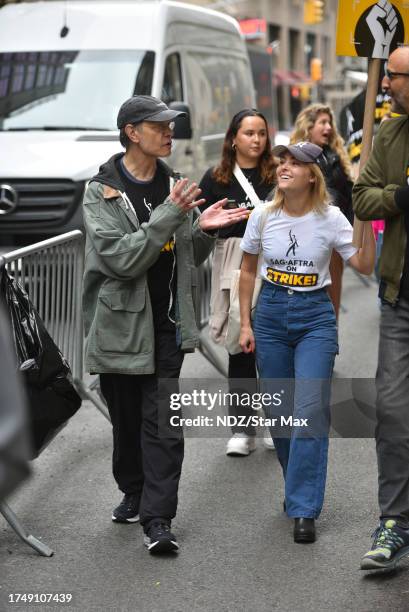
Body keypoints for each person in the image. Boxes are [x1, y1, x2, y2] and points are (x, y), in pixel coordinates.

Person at [82, 95, 248, 554]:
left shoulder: (175, 183)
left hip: (167, 325)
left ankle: (159, 521)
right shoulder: (103, 191)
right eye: (159, 126)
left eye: (171, 125)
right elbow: (122, 259)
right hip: (119, 326)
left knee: (163, 425)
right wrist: (174, 216)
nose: (170, 132)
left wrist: (204, 231)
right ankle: (133, 488)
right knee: (127, 421)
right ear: (132, 132)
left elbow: (188, 258)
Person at [239, 141, 375, 543]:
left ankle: (303, 508)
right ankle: (297, 486)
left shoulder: (332, 219)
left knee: (311, 410)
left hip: (315, 316)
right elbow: (247, 272)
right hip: (271, 315)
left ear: (312, 175)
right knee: (281, 415)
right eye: (283, 161)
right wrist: (245, 324)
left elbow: (364, 265)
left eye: (295, 164)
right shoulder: (262, 216)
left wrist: (364, 214)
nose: (284, 167)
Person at [353, 46, 409, 571]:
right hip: (400, 302)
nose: (385, 84)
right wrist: (400, 197)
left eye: (393, 76)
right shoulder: (390, 133)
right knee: (391, 412)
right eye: (387, 75)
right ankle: (395, 521)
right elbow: (361, 196)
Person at [199, 109, 276, 456]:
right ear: (233, 138)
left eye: (261, 133)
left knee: (273, 347)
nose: (256, 139)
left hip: (274, 262)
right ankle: (243, 428)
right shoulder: (216, 178)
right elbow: (198, 222)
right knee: (240, 344)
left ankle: (277, 422)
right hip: (232, 261)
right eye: (248, 133)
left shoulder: (278, 173)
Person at [290, 104, 354, 319]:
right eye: (322, 123)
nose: (328, 128)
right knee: (307, 295)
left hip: (334, 239)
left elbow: (348, 196)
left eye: (330, 123)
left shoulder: (336, 155)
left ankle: (328, 341)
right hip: (306, 237)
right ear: (308, 126)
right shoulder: (295, 158)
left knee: (332, 298)